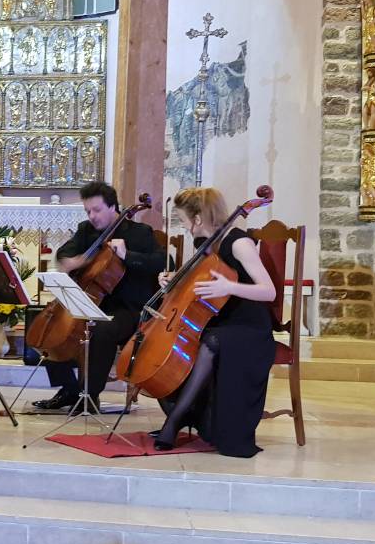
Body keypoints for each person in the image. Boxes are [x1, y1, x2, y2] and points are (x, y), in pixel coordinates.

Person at [152, 186, 276, 456]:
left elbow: (269, 291)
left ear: (197, 219)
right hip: (219, 321)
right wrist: (173, 279)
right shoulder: (205, 244)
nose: (184, 226)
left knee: (211, 342)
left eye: (183, 220)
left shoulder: (239, 243)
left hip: (249, 328)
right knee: (173, 348)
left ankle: (175, 420)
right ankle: (185, 414)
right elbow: (200, 285)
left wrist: (230, 287)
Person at [33, 181, 165, 413]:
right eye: (88, 211)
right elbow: (64, 253)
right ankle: (70, 389)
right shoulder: (86, 230)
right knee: (47, 327)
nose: (91, 216)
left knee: (101, 330)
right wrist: (74, 260)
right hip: (91, 301)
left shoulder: (139, 233)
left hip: (127, 307)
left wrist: (127, 255)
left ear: (113, 206)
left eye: (96, 210)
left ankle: (89, 396)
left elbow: (161, 262)